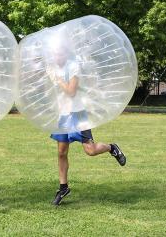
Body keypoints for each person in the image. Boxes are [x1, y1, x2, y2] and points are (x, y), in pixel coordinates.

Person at [46, 49, 126, 206]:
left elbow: (71, 91)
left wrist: (58, 79)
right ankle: (63, 188)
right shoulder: (51, 68)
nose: (57, 56)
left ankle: (112, 148)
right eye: (55, 53)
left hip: (78, 113)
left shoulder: (73, 67)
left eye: (60, 53)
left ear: (65, 53)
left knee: (90, 150)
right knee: (61, 152)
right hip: (62, 114)